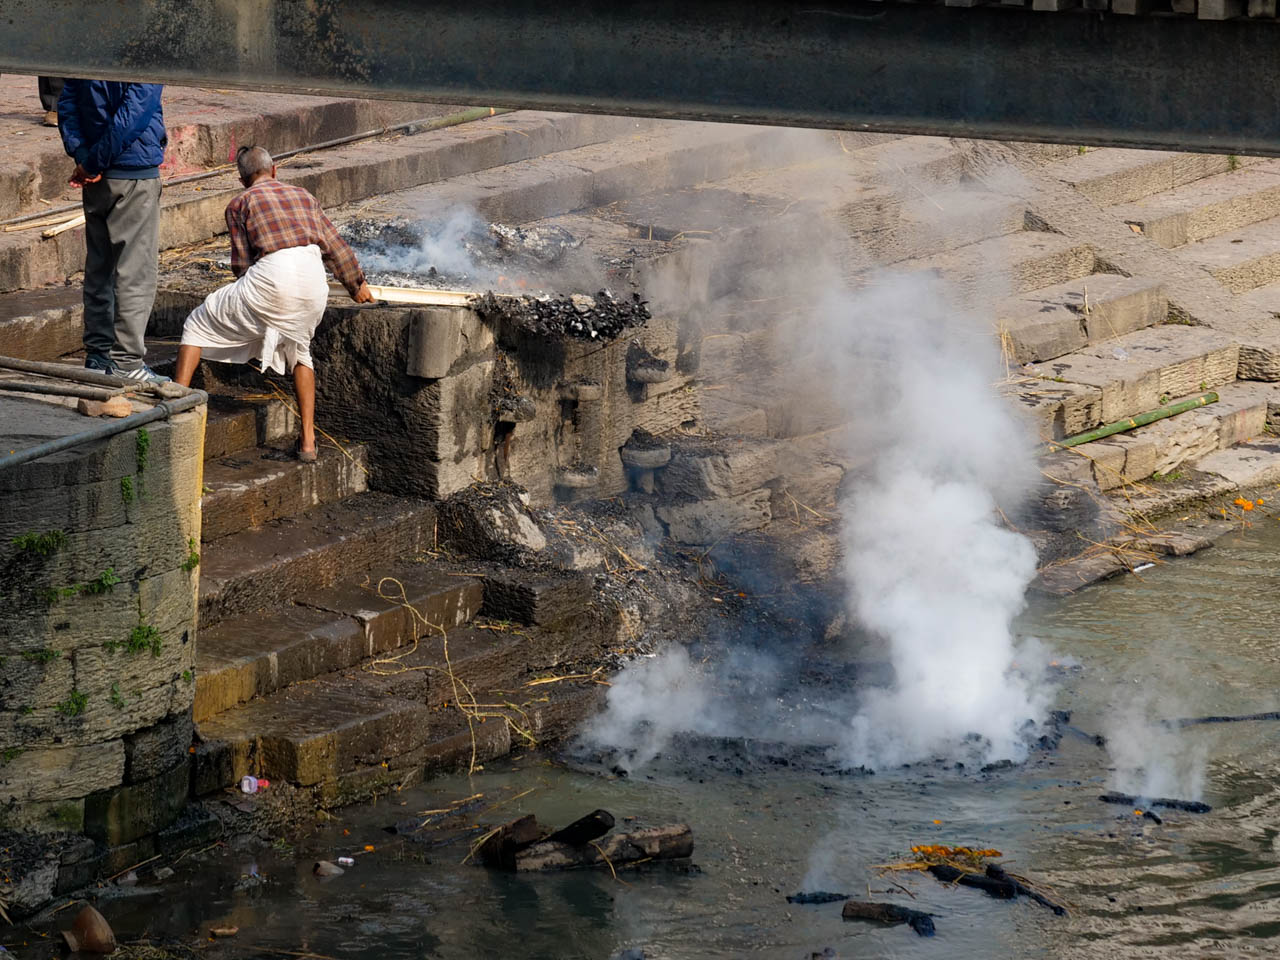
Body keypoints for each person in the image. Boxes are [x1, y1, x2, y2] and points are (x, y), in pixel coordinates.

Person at [174, 146, 375, 461]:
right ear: (275, 170)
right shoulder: (304, 196)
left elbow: (241, 266)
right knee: (300, 352)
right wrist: (357, 286)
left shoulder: (240, 202)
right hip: (313, 281)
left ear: (242, 180)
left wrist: (256, 297)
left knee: (197, 323)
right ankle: (308, 441)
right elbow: (335, 245)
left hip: (271, 277)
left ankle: (175, 411)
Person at [57, 80, 169, 382]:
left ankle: (98, 355)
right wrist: (92, 161)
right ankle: (127, 363)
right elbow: (133, 115)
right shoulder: (143, 55)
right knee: (135, 274)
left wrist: (83, 156)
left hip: (97, 176)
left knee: (99, 268)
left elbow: (66, 103)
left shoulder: (86, 48)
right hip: (131, 173)